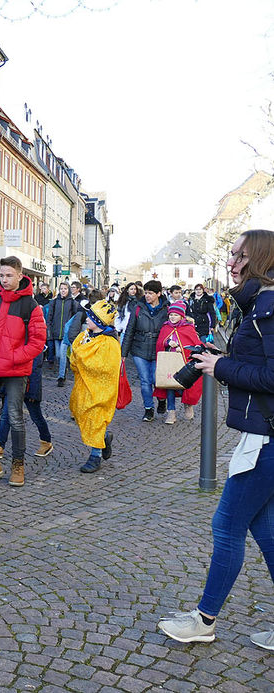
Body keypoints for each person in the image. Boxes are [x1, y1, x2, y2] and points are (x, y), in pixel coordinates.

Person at [157, 229, 274, 650]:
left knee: (226, 526)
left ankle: (204, 621)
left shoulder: (270, 305)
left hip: (267, 436)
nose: (231, 262)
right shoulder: (258, 304)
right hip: (263, 433)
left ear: (258, 258)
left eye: (239, 255)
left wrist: (220, 366)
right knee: (266, 530)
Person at [0, 257, 46, 488]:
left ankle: (18, 464)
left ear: (20, 275)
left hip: (15, 369)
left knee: (14, 416)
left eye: (9, 275)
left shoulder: (30, 305)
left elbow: (37, 341)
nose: (4, 279)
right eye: (1, 275)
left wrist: (14, 357)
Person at [68, 299, 121, 473]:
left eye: (90, 317)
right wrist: (80, 357)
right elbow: (75, 353)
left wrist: (82, 356)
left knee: (96, 418)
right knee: (81, 413)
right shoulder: (85, 336)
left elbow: (104, 367)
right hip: (84, 386)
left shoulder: (110, 343)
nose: (87, 320)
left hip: (101, 390)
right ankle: (104, 437)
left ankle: (95, 456)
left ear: (98, 322)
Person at [121, 279, 169, 421]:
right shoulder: (138, 307)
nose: (147, 296)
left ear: (159, 294)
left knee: (156, 378)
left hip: (158, 348)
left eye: (151, 293)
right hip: (139, 348)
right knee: (145, 380)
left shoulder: (166, 308)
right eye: (146, 293)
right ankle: (148, 408)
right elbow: (130, 330)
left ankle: (161, 400)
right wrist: (123, 353)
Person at [154, 300, 203, 424]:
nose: (172, 317)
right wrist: (166, 343)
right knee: (169, 386)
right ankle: (171, 412)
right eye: (171, 315)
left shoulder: (188, 328)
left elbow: (194, 344)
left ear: (181, 316)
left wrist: (182, 348)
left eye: (175, 315)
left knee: (185, 386)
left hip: (183, 361)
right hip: (169, 362)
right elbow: (160, 343)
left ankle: (188, 404)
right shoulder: (165, 327)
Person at [0, 352, 53, 458]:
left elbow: (35, 367)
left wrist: (33, 391)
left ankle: (46, 441)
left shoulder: (33, 340)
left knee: (36, 416)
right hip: (13, 383)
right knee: (6, 415)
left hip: (28, 385)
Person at [46, 282, 81, 386]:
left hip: (67, 334)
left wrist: (72, 331)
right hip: (56, 332)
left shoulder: (72, 303)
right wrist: (49, 332)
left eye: (65, 289)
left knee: (62, 354)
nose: (63, 290)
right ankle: (63, 369)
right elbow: (49, 318)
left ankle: (61, 377)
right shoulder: (54, 302)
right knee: (58, 355)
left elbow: (76, 318)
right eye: (61, 289)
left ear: (68, 290)